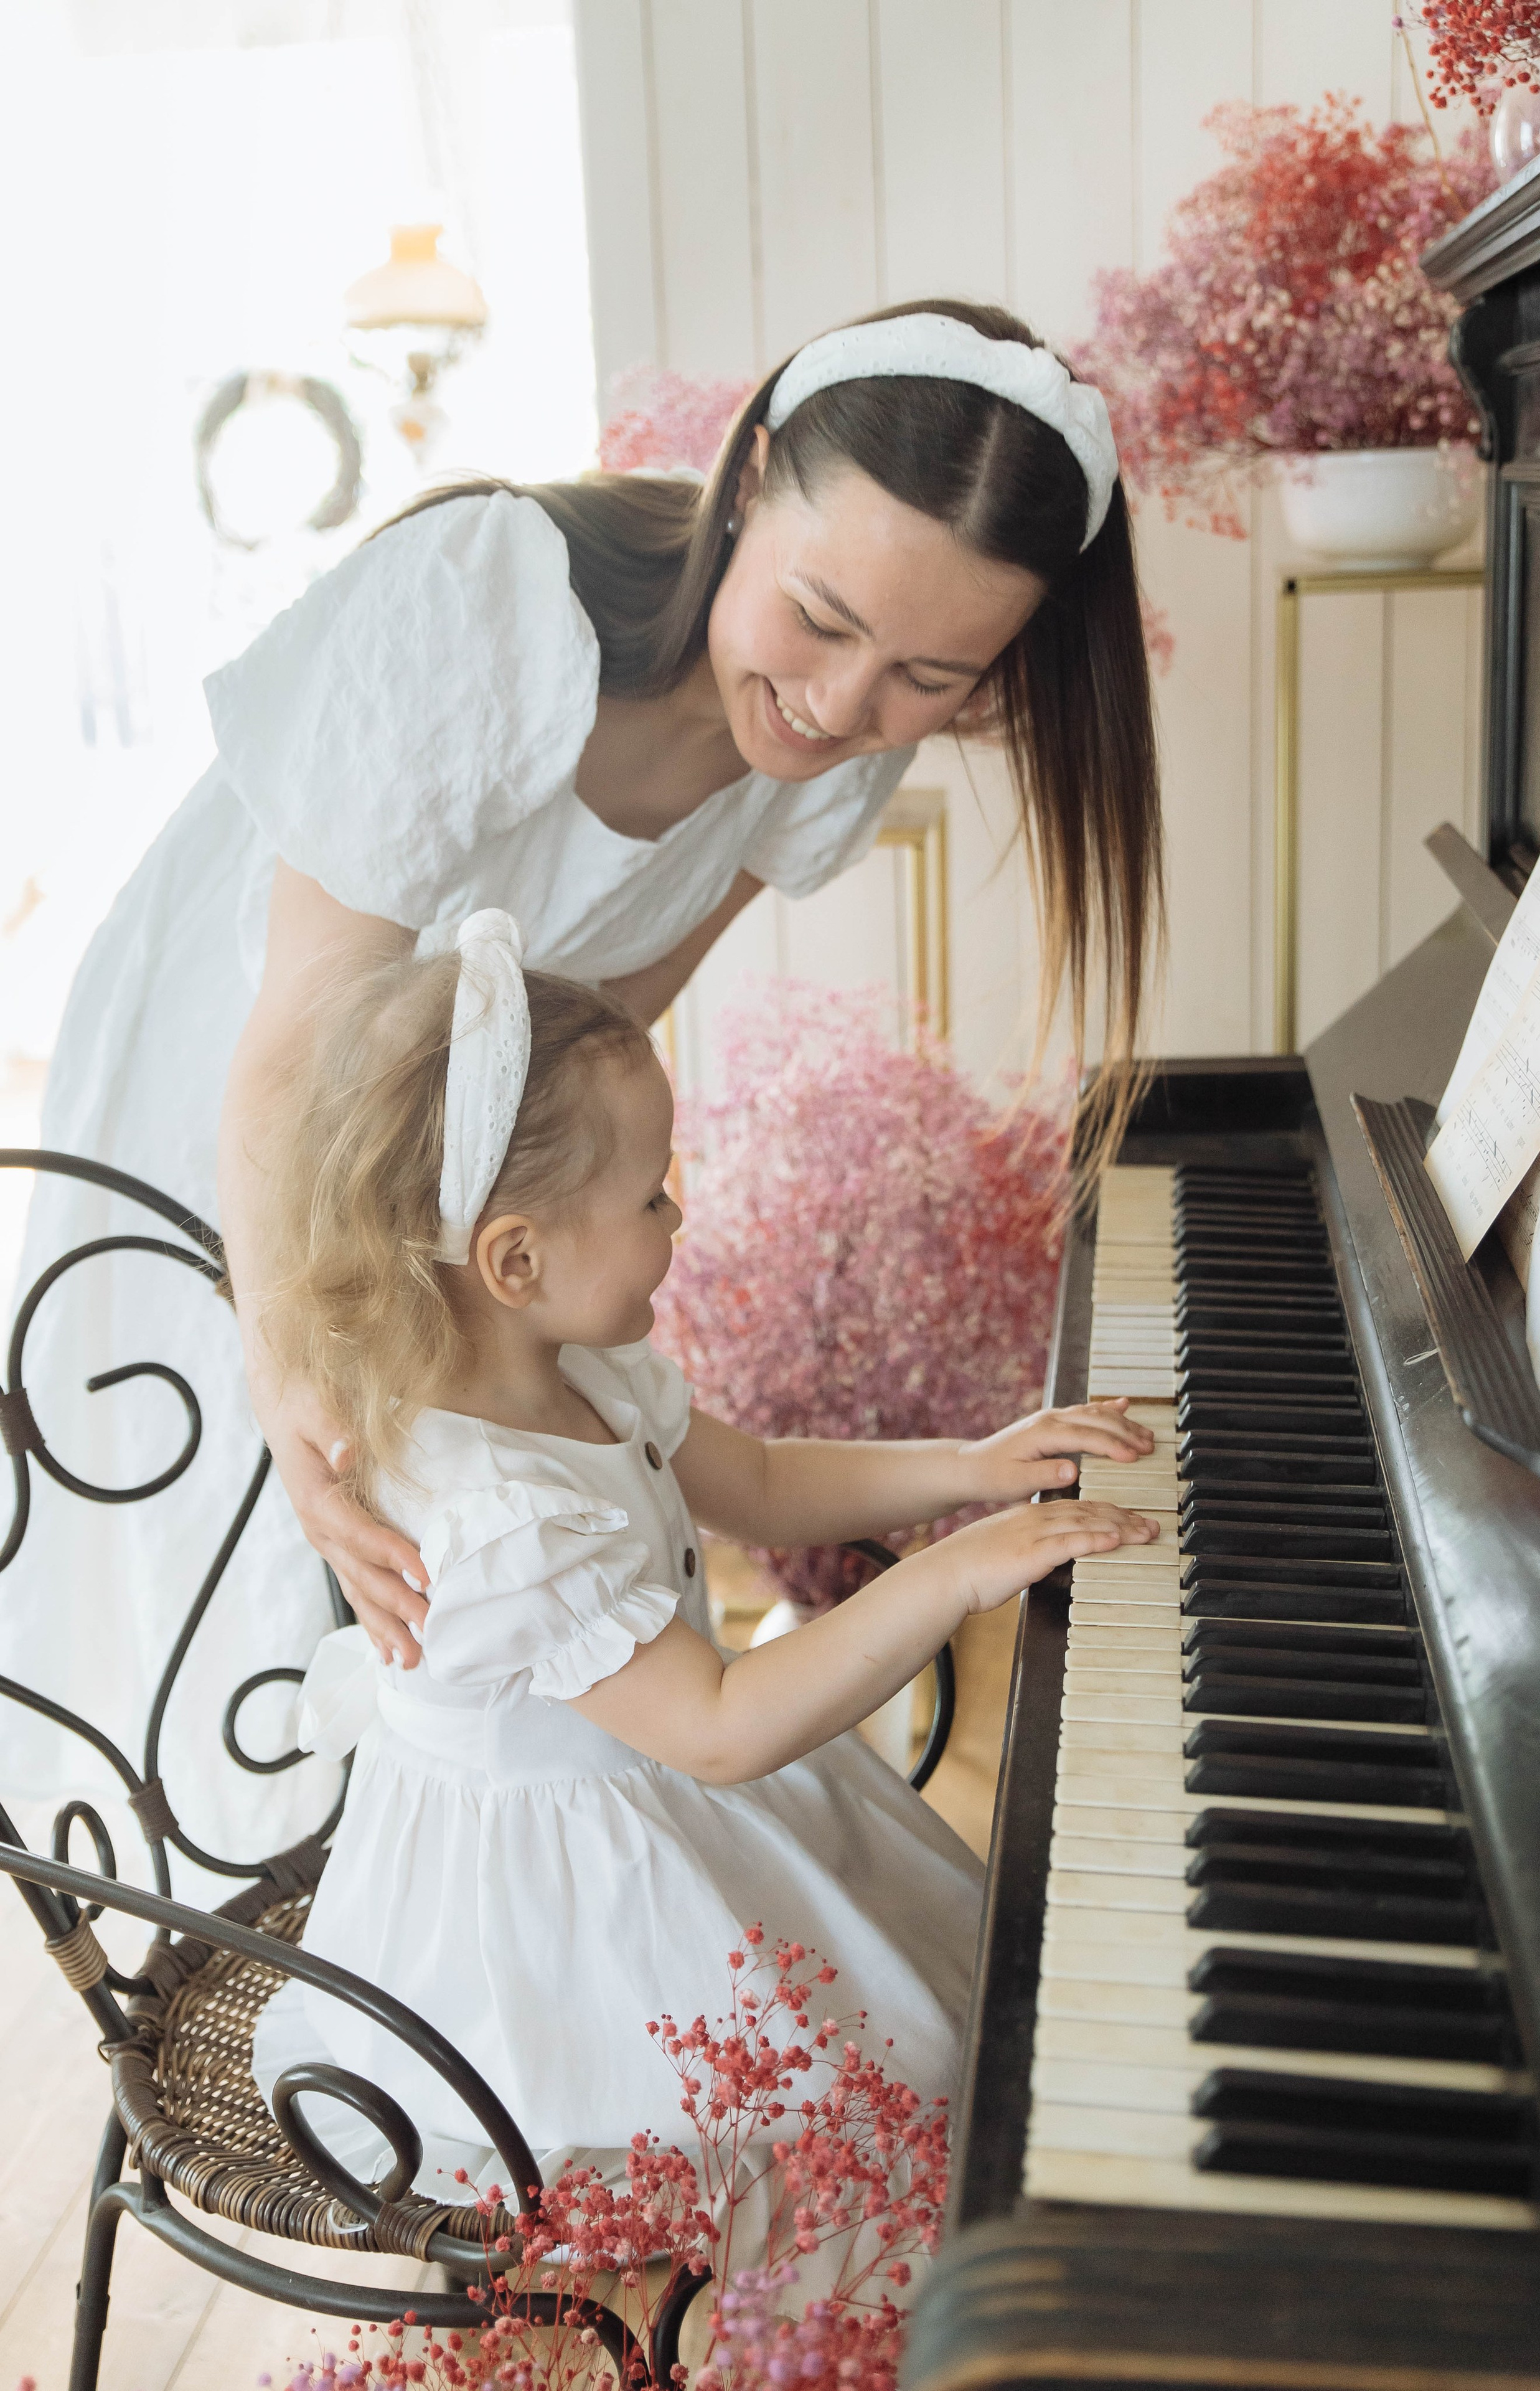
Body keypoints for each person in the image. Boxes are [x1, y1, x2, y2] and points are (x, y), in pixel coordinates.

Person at [6, 299, 1162, 1859]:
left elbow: (596, 1022)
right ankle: (287, 1945)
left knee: (462, 1603)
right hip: (246, 1085)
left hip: (451, 1138)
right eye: (817, 620)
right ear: (750, 475)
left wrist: (541, 1320)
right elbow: (298, 1044)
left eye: (928, 675)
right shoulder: (485, 606)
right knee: (238, 1577)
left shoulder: (836, 741)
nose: (840, 708)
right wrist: (299, 1389)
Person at [248, 915, 1157, 2201]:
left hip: (657, 1786)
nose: (681, 1211)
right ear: (518, 1258)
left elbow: (767, 1480)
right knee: (894, 2077)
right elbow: (721, 1727)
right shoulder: (493, 1520)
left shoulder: (577, 1367)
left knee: (932, 2010)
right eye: (652, 1194)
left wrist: (972, 1466)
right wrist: (957, 1573)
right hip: (559, 1918)